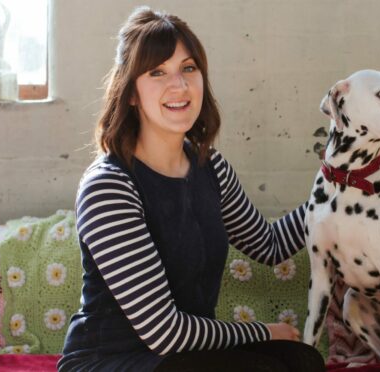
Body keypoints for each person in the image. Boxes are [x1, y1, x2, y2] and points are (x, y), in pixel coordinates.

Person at [57, 6, 326, 372]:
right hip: (112, 361)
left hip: (183, 358)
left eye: (188, 68)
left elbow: (269, 244)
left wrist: (340, 193)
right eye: (157, 72)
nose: (179, 85)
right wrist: (264, 331)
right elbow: (165, 333)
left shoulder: (210, 167)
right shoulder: (108, 187)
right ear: (131, 92)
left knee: (302, 362)